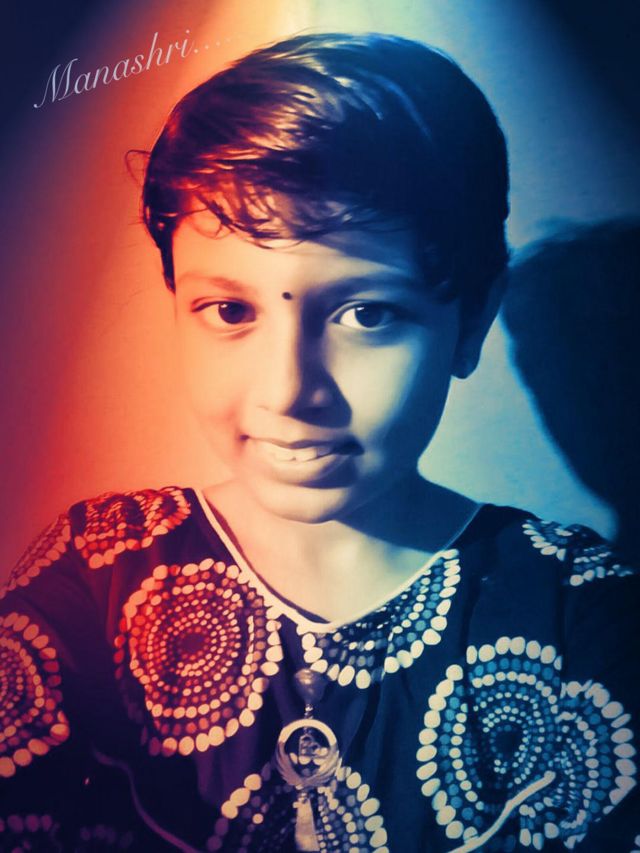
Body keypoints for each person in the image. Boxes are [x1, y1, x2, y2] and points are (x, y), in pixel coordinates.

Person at [0, 32, 637, 853]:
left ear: (471, 319)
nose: (290, 391)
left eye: (367, 314)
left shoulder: (577, 610)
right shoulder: (96, 575)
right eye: (230, 311)